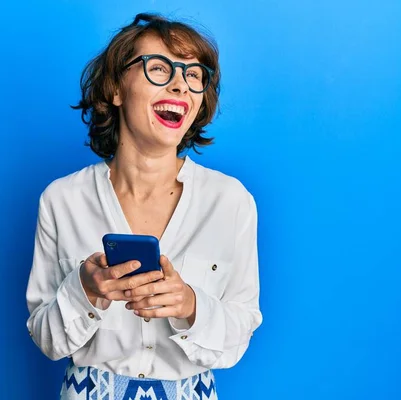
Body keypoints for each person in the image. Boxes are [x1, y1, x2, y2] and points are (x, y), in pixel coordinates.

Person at [26, 12, 262, 400]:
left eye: (193, 75)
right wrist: (83, 290)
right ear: (116, 89)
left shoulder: (231, 200)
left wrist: (190, 304)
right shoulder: (61, 199)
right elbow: (47, 339)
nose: (181, 85)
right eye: (158, 68)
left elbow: (240, 334)